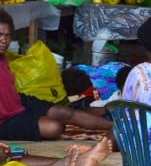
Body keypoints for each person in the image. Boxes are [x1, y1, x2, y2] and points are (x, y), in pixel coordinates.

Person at [0, 10, 113, 141]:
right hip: (4, 120)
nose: (4, 40)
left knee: (64, 112)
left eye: (7, 35)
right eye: (0, 34)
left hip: (18, 103)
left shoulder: (3, 58)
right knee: (54, 127)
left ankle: (117, 127)